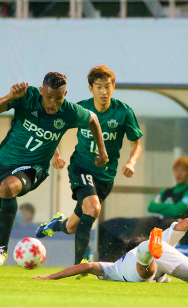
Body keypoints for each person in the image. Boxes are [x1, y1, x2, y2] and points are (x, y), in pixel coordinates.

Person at [0, 72, 109, 280]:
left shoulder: (70, 112)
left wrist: (103, 152)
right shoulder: (26, 97)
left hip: (34, 168)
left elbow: (93, 118)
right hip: (5, 161)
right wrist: (10, 97)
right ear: (40, 91)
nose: (53, 103)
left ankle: (1, 251)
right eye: (48, 97)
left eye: (59, 98)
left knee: (7, 188)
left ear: (66, 94)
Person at [36, 65, 142, 265]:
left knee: (72, 226)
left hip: (105, 177)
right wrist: (56, 154)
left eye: (107, 86)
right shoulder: (81, 109)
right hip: (81, 167)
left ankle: (55, 225)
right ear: (90, 88)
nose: (103, 91)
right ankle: (79, 264)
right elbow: (54, 128)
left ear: (113, 87)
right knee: (93, 209)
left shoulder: (123, 112)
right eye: (99, 87)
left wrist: (131, 162)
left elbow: (136, 145)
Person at [31, 218, 188, 284]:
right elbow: (185, 223)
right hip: (158, 253)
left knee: (145, 272)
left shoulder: (112, 267)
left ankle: (147, 249)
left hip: (140, 262)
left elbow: (88, 266)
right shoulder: (164, 244)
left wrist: (51, 276)